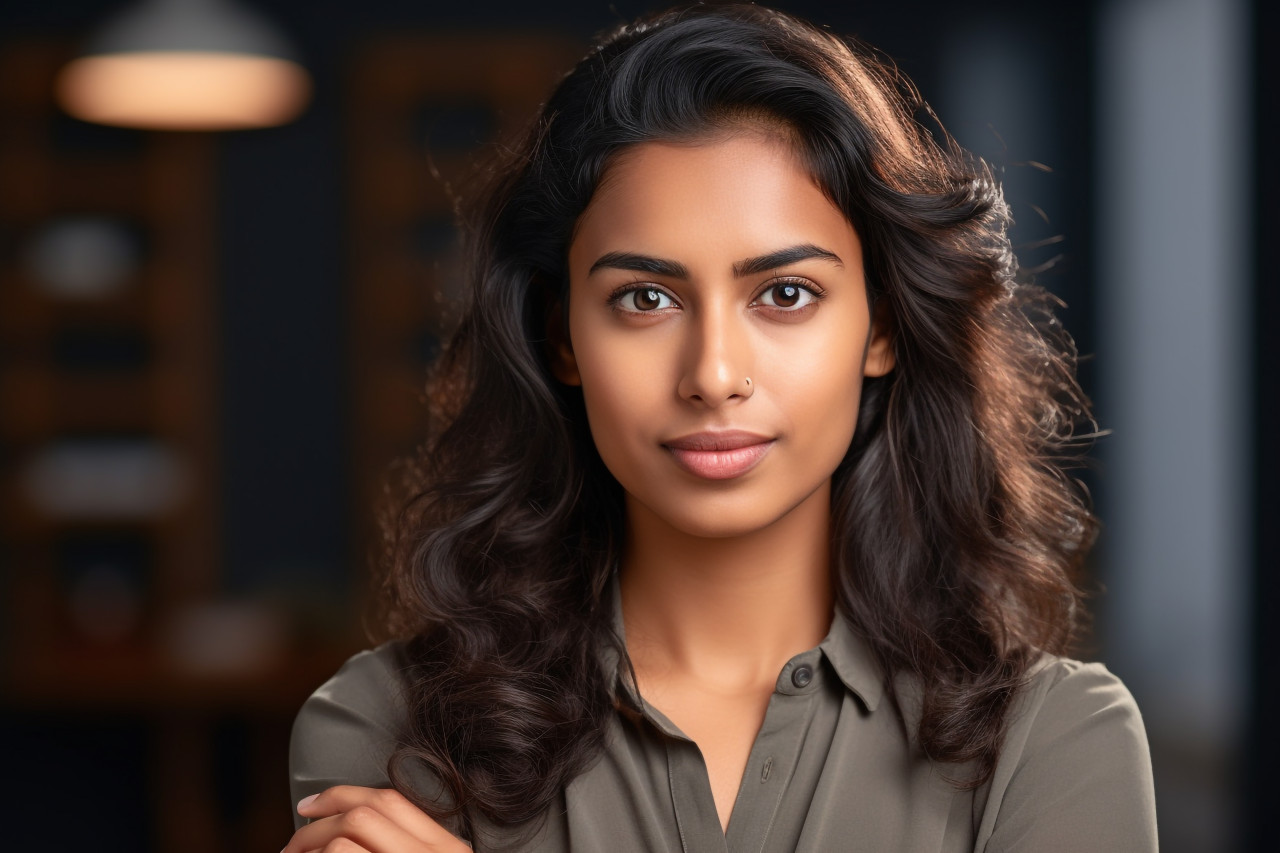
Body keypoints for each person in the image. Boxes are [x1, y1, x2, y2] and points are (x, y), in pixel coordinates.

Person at [283, 3, 1157, 851]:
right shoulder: (390, 726)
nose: (711, 375)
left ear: (881, 327)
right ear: (563, 339)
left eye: (784, 294)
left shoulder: (1052, 741)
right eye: (645, 298)